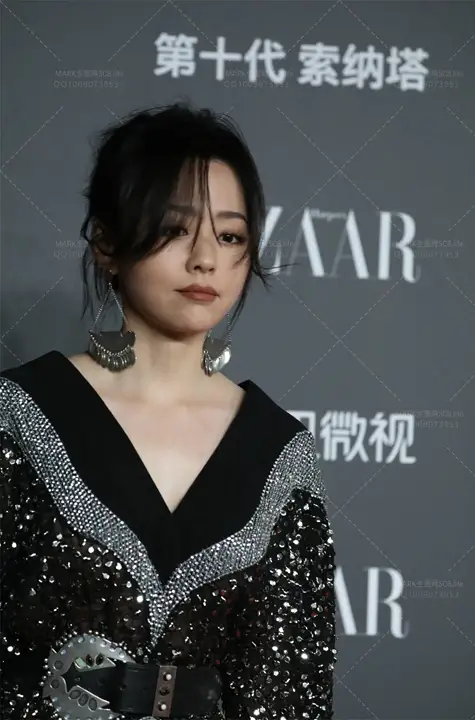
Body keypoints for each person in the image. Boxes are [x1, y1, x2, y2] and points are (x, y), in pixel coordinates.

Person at [0, 102, 336, 719]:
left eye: (230, 236)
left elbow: (292, 694)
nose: (205, 257)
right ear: (106, 242)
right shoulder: (18, 417)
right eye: (176, 229)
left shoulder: (278, 453)